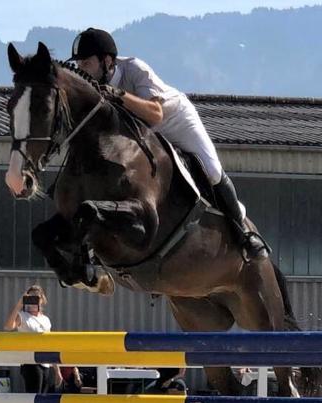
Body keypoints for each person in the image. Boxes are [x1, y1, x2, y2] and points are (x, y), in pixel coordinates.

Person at [70, 27, 268, 261]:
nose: (81, 70)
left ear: (106, 61)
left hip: (175, 121)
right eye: (79, 65)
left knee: (212, 172)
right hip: (142, 134)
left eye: (85, 63)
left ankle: (243, 231)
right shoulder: (93, 90)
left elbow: (155, 114)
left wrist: (118, 95)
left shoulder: (135, 69)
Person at [3, 285, 58, 403]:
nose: (33, 302)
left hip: (45, 362)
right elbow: (8, 327)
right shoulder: (23, 316)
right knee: (31, 398)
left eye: (36, 298)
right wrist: (19, 304)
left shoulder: (45, 320)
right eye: (30, 298)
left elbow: (50, 344)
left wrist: (56, 368)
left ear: (42, 300)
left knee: (39, 397)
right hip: (30, 363)